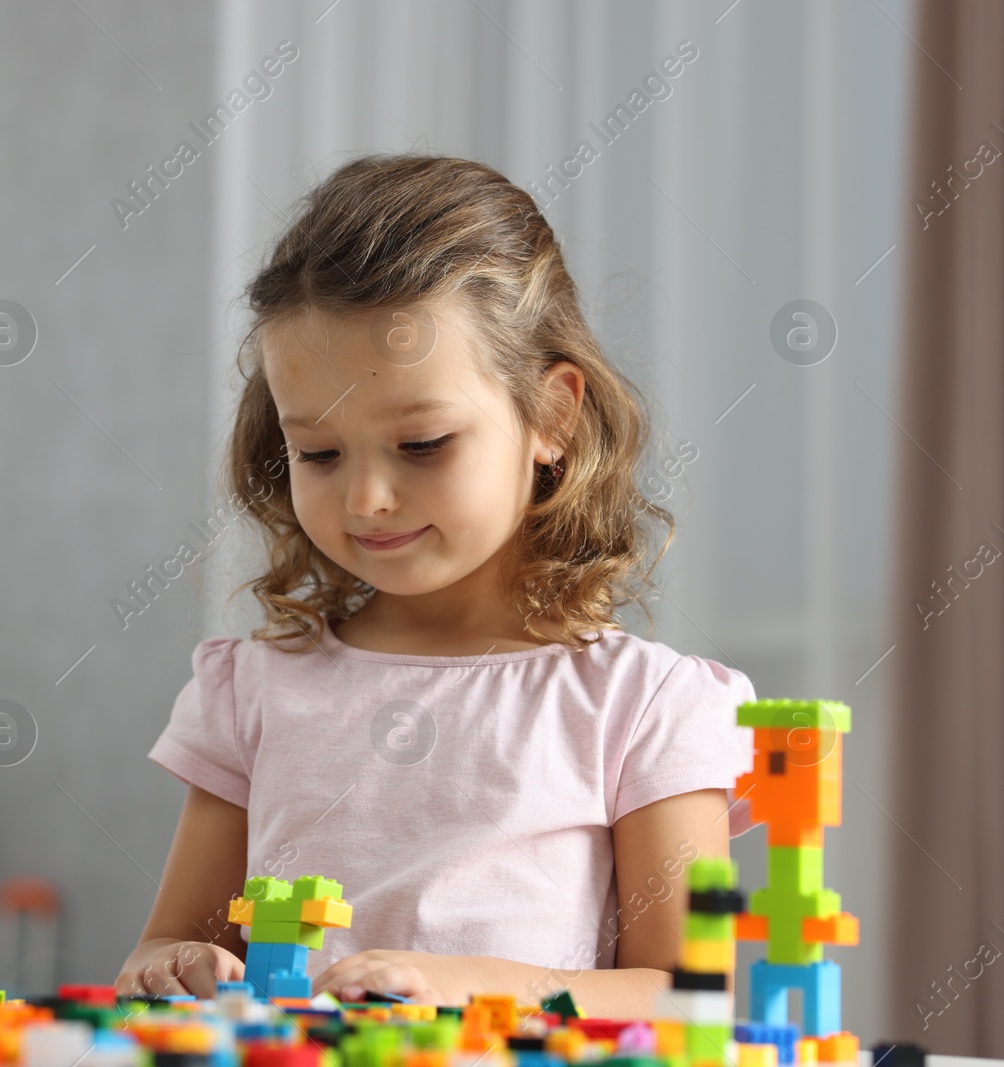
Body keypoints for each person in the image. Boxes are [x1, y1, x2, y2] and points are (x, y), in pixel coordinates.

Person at [114, 154, 753, 1018]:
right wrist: (175, 963)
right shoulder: (254, 691)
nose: (368, 498)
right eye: (319, 453)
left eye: (422, 445)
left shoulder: (642, 706)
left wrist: (473, 983)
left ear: (552, 417)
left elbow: (688, 996)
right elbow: (169, 945)